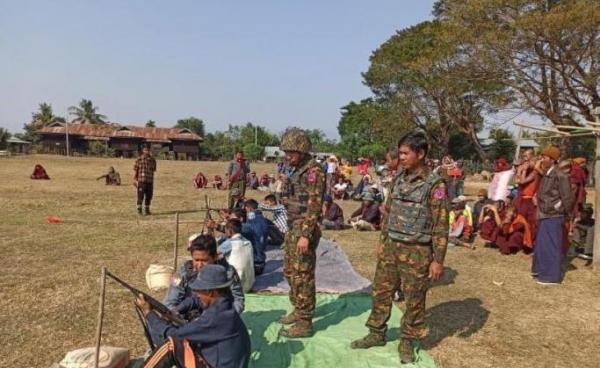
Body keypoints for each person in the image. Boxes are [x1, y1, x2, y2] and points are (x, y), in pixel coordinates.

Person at [351, 131, 449, 365]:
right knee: (381, 292)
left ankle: (407, 340)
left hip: (417, 250)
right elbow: (388, 214)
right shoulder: (398, 179)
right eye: (400, 152)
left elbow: (441, 225)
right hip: (391, 246)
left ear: (421, 153)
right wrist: (383, 242)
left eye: (406, 153)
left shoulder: (435, 184)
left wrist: (438, 260)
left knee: (414, 298)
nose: (401, 157)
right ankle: (376, 332)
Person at [138, 264, 251, 368]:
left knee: (172, 344)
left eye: (200, 291)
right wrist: (176, 311)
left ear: (211, 292)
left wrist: (149, 314)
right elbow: (195, 301)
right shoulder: (225, 307)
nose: (197, 294)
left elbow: (174, 334)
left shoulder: (215, 316)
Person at [277, 128, 326, 338]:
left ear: (303, 151)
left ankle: (305, 321)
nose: (288, 156)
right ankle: (298, 308)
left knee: (303, 275)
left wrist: (306, 234)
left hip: (305, 228)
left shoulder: (314, 171)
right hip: (293, 226)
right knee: (290, 271)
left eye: (292, 153)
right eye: (286, 152)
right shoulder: (295, 169)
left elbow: (315, 206)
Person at [164, 234, 245, 315]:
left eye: (204, 260)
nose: (199, 265)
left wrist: (226, 316)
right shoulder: (184, 272)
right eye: (196, 260)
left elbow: (238, 300)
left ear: (215, 257)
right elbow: (170, 302)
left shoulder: (227, 272)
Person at [532, 146, 574, 285]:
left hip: (554, 215)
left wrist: (560, 209)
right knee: (542, 245)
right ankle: (540, 270)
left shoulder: (560, 175)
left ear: (552, 159)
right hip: (544, 214)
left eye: (544, 157)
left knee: (551, 246)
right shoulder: (548, 173)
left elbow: (567, 197)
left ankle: (550, 276)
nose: (542, 159)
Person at [217, 219, 255, 292]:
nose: (225, 232)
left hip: (237, 286)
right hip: (249, 284)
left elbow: (212, 254)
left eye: (226, 230)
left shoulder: (230, 243)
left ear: (230, 230)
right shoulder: (248, 242)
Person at [514, 149, 542, 240]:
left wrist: (524, 170)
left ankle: (529, 241)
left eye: (527, 156)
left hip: (530, 199)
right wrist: (520, 171)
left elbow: (522, 181)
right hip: (522, 197)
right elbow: (517, 181)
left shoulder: (535, 171)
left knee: (530, 222)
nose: (525, 159)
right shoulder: (527, 167)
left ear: (532, 156)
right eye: (524, 156)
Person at [242, 199, 269, 275]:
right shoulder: (260, 218)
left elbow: (244, 230)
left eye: (246, 209)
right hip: (259, 259)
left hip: (256, 263)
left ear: (249, 208)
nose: (246, 212)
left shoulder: (254, 220)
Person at [134, 145, 157, 215]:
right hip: (141, 180)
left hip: (149, 180)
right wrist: (135, 180)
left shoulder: (153, 160)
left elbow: (154, 169)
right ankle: (139, 209)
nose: (146, 152)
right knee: (140, 195)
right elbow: (136, 170)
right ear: (143, 151)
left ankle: (147, 209)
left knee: (149, 196)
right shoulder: (139, 159)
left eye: (148, 150)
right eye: (145, 150)